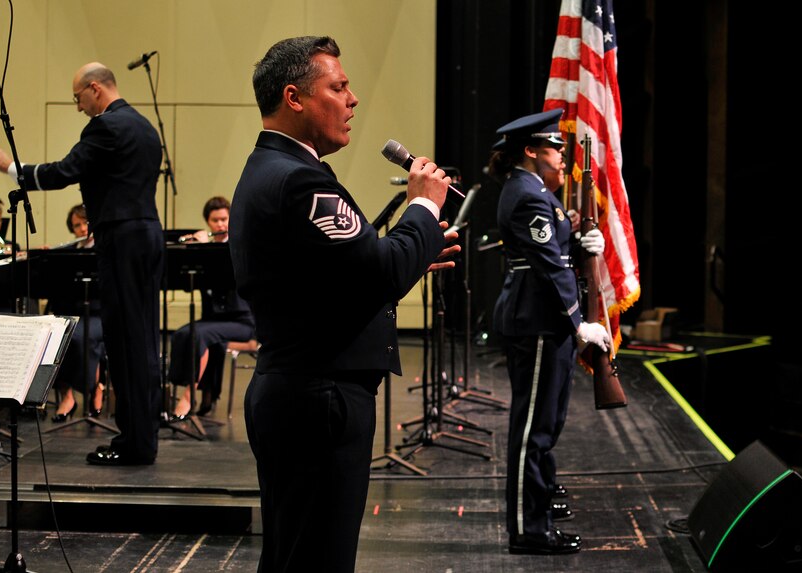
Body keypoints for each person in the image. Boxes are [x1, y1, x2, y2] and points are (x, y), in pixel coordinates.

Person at [230, 36, 459, 573]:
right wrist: (423, 205)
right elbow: (377, 272)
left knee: (294, 555)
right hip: (320, 398)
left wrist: (409, 253)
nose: (352, 98)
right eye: (338, 86)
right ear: (295, 97)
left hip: (299, 390)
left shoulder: (268, 169)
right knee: (318, 560)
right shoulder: (302, 180)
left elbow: (338, 274)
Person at [0, 62, 164, 466]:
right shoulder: (145, 127)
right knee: (143, 339)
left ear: (95, 89)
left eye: (78, 98)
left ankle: (135, 445)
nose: (79, 107)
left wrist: (12, 170)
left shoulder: (106, 127)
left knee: (124, 340)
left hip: (121, 240)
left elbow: (64, 172)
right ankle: (141, 437)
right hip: (147, 236)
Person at [489, 109, 610, 555]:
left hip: (545, 318)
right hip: (538, 318)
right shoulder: (527, 194)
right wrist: (579, 323)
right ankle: (527, 528)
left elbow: (557, 249)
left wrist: (580, 242)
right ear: (531, 151)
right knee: (531, 431)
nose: (563, 159)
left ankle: (539, 504)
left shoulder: (535, 191)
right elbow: (549, 265)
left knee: (548, 422)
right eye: (556, 150)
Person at [168, 195, 255, 420]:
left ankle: (188, 397)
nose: (221, 225)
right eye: (216, 220)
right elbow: (185, 284)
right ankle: (183, 390)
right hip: (213, 320)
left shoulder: (239, 247)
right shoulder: (205, 250)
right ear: (208, 222)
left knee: (199, 336)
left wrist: (205, 249)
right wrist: (189, 251)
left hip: (242, 322)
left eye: (225, 219)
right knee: (180, 334)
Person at [46, 204, 105, 422]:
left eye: (85, 223)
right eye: (76, 225)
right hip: (73, 313)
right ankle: (68, 394)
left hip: (100, 314)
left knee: (81, 336)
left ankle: (93, 389)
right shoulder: (70, 252)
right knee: (55, 333)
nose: (81, 229)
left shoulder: (104, 249)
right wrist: (48, 259)